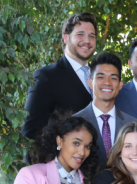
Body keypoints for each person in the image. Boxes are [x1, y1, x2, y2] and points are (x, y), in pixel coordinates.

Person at [21, 13, 97, 141]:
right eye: (80, 34)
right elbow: (30, 133)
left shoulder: (100, 76)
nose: (87, 41)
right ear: (66, 38)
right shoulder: (47, 76)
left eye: (92, 36)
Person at [74, 52, 137, 167]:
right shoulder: (74, 123)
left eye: (113, 78)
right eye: (100, 77)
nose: (107, 83)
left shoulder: (134, 125)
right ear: (90, 82)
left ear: (120, 85)